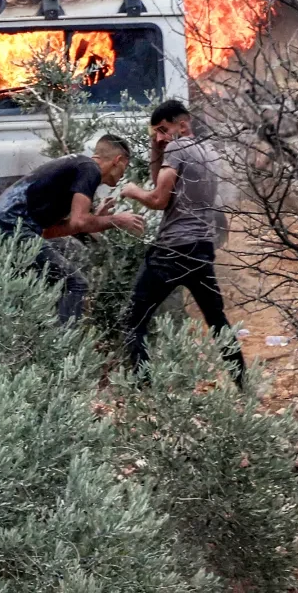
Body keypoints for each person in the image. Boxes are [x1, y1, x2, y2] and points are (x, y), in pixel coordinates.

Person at [119, 99, 245, 383]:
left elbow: (157, 199)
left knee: (134, 320)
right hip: (202, 250)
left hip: (171, 252)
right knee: (217, 322)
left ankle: (143, 388)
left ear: (183, 124)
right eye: (156, 132)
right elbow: (166, 189)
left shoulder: (178, 148)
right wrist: (156, 149)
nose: (161, 137)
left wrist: (132, 190)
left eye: (164, 129)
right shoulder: (208, 153)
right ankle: (242, 385)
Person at [0, 134, 144, 324]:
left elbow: (49, 232)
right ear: (118, 161)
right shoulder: (89, 169)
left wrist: (96, 219)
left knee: (10, 296)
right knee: (74, 283)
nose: (123, 174)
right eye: (125, 167)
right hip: (10, 228)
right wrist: (116, 219)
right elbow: (79, 222)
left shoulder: (75, 171)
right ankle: (63, 348)